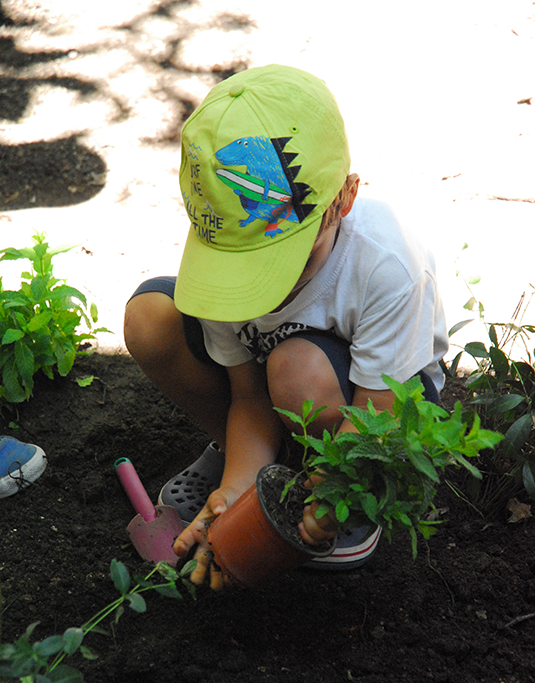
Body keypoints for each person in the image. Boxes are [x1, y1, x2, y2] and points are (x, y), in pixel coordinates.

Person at [124, 64, 448, 590]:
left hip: (381, 402)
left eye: (285, 254)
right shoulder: (220, 275)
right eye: (241, 260)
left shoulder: (387, 264)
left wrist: (326, 497)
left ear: (343, 198)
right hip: (279, 391)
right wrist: (233, 496)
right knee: (151, 317)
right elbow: (248, 399)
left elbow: (379, 412)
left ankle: (336, 501)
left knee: (294, 366)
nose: (262, 284)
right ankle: (258, 470)